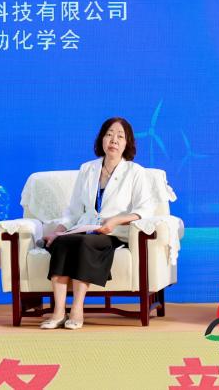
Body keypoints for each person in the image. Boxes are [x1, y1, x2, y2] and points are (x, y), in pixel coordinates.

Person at [40, 117, 158, 329]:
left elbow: (144, 210)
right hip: (85, 229)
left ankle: (77, 309)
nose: (114, 140)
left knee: (84, 243)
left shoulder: (135, 172)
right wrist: (58, 232)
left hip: (112, 233)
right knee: (62, 242)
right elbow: (73, 211)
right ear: (101, 139)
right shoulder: (87, 169)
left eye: (120, 136)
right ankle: (58, 311)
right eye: (109, 134)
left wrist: (116, 220)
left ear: (127, 143)